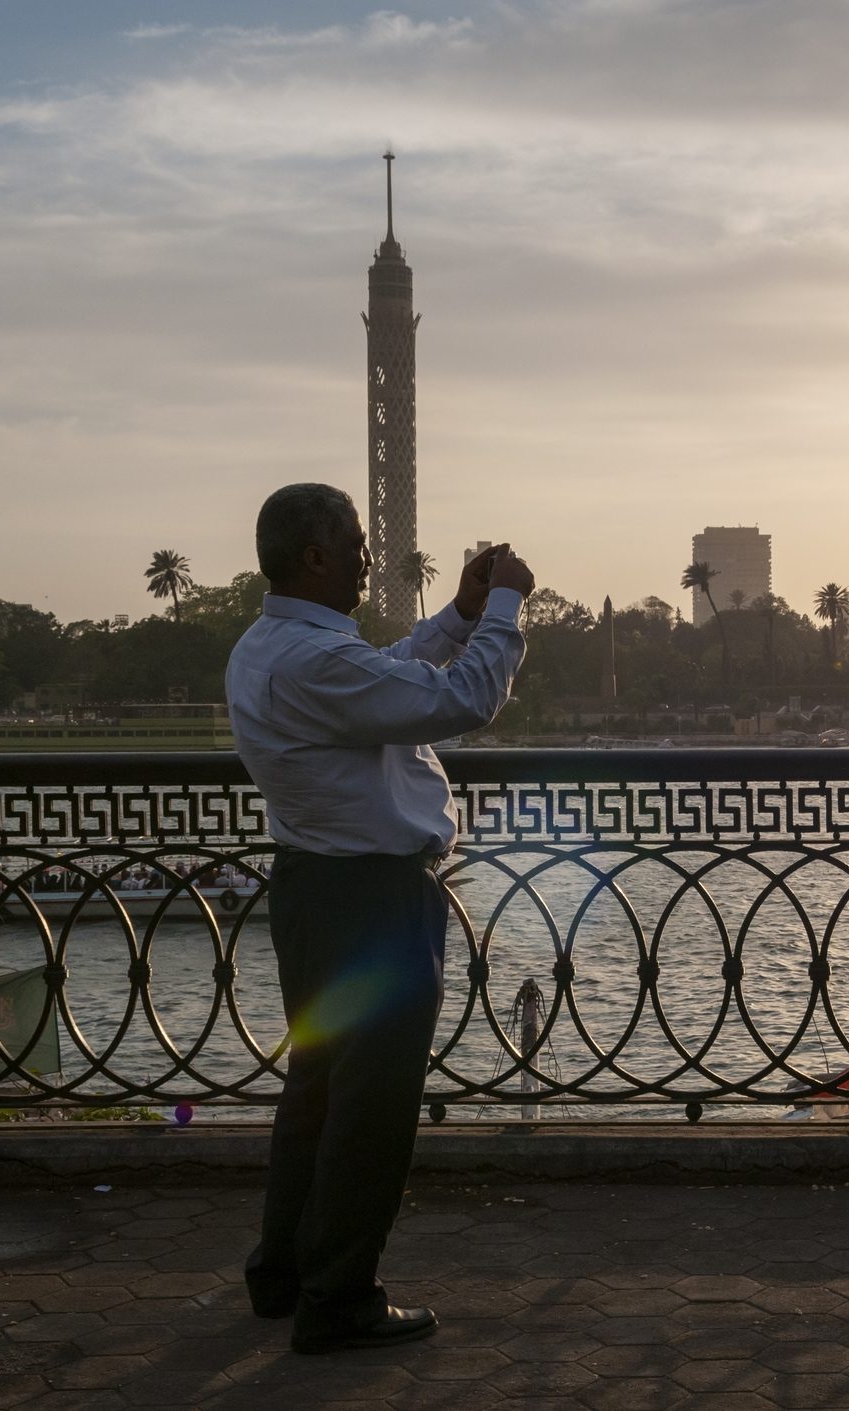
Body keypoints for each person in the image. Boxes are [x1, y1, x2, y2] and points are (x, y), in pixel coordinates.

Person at [227, 482, 533, 1354]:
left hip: (316, 891)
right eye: (357, 542)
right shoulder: (314, 659)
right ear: (315, 556)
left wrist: (458, 615)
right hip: (373, 900)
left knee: (318, 1092)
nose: (368, 554)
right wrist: (504, 605)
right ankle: (339, 1297)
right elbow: (458, 700)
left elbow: (391, 674)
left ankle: (282, 1272)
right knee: (371, 1107)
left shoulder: (274, 645)